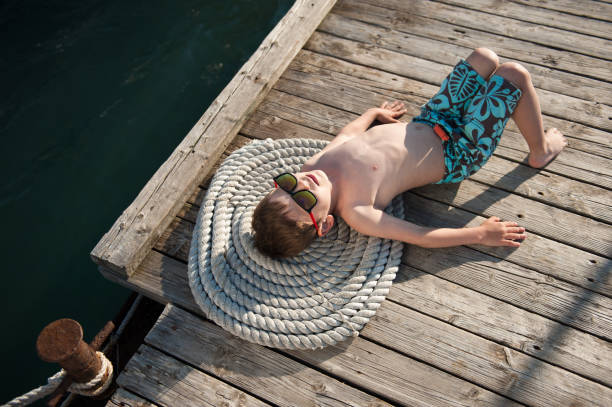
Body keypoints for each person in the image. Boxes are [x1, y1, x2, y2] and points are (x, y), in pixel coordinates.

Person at [252, 48, 567, 258]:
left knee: (484, 57)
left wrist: (373, 113)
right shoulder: (358, 210)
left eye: (287, 185)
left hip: (432, 119)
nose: (302, 185)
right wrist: (479, 234)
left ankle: (494, 105)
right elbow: (420, 235)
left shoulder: (315, 164)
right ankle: (540, 150)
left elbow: (347, 134)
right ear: (324, 225)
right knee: (514, 75)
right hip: (458, 151)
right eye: (304, 200)